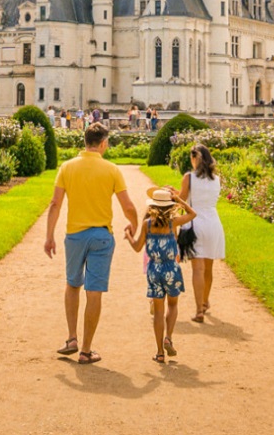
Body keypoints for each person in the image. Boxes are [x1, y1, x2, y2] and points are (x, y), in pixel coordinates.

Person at [44, 122, 139, 365]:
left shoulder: (67, 167)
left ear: (85, 142)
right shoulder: (111, 169)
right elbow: (128, 206)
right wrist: (134, 224)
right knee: (94, 291)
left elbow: (55, 204)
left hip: (75, 235)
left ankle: (72, 338)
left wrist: (49, 236)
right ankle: (86, 350)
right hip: (101, 236)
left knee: (72, 284)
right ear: (104, 143)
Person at [124, 186, 195, 363]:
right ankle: (168, 337)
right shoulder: (173, 223)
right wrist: (179, 201)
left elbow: (137, 247)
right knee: (172, 305)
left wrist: (128, 235)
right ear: (169, 206)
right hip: (171, 268)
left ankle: (159, 353)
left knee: (157, 312)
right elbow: (192, 214)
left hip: (154, 270)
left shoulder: (147, 225)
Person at [179, 142, 226, 323]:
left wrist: (170, 193)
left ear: (194, 158)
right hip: (213, 224)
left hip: (195, 223)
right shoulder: (216, 179)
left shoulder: (189, 177)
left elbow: (183, 200)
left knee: (197, 269)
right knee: (208, 269)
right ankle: (205, 302)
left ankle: (199, 309)